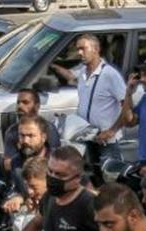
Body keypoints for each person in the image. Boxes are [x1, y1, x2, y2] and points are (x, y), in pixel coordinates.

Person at [52, 35, 126, 168]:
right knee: (93, 175)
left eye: (83, 48)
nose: (79, 53)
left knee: (111, 177)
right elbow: (69, 75)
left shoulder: (109, 74)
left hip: (106, 140)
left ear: (96, 49)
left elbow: (127, 105)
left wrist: (111, 131)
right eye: (78, 49)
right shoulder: (83, 71)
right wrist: (51, 64)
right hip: (88, 137)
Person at [1, 88, 61, 177]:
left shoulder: (49, 129)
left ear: (37, 106)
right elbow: (7, 165)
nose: (20, 106)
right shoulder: (12, 131)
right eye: (18, 102)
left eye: (25, 102)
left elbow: (55, 162)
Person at [1, 115, 52, 213]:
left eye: (30, 136)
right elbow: (16, 187)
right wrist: (17, 198)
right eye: (22, 135)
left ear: (43, 137)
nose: (25, 141)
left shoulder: (58, 162)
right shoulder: (16, 162)